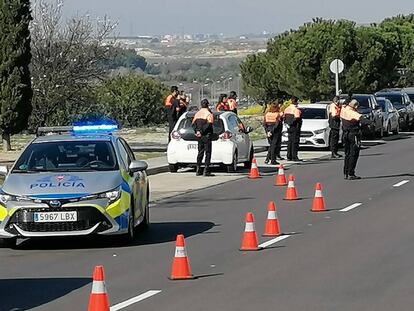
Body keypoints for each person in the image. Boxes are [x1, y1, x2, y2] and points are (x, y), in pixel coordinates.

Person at [340, 99, 371, 180]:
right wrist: (370, 122)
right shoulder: (353, 113)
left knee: (347, 154)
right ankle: (351, 173)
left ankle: (346, 173)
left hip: (345, 134)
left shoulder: (344, 109)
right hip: (353, 134)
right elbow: (362, 120)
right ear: (356, 106)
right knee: (354, 154)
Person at [192, 99, 215, 177]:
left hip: (199, 136)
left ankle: (198, 170)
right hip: (206, 135)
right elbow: (209, 124)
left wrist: (197, 131)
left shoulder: (197, 114)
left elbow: (193, 124)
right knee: (208, 153)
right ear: (207, 105)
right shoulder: (208, 114)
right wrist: (202, 131)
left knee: (200, 152)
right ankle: (206, 170)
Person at [284, 96, 302, 161]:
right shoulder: (296, 109)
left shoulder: (286, 109)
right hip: (295, 127)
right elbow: (297, 118)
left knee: (290, 142)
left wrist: (287, 124)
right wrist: (291, 124)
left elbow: (284, 118)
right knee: (295, 142)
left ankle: (289, 156)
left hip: (289, 128)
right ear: (296, 101)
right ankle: (294, 156)